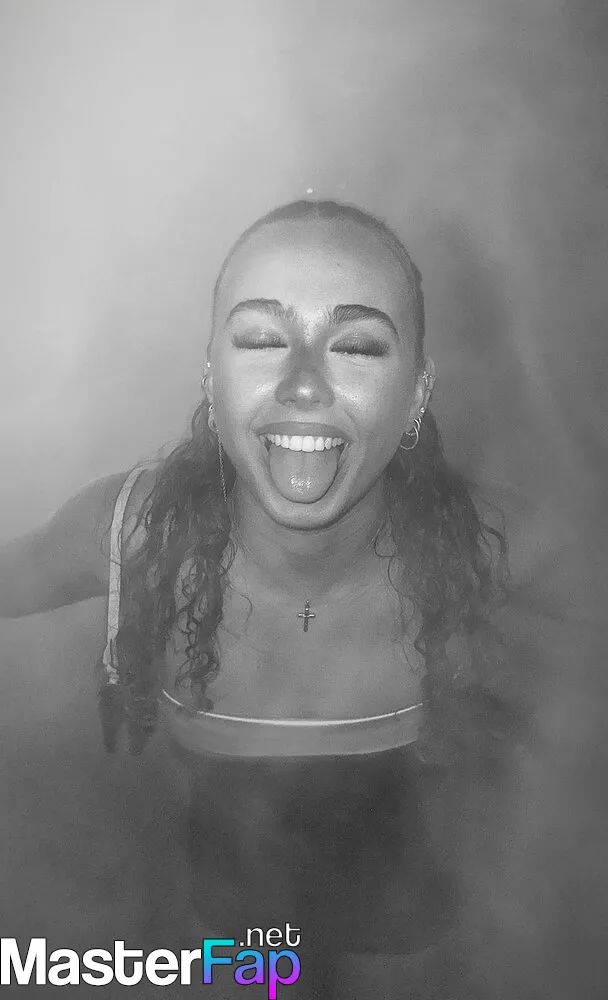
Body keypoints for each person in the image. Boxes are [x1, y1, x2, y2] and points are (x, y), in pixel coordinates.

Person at [0, 199, 526, 998]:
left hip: (406, 892)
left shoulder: (479, 545)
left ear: (418, 393)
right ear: (212, 377)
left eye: (356, 345)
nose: (303, 383)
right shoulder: (134, 533)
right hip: (232, 884)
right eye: (260, 338)